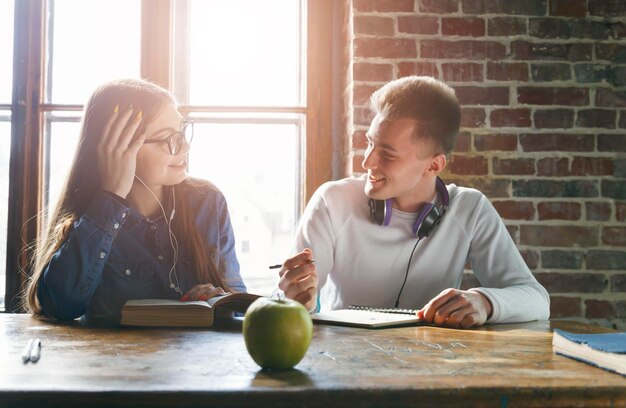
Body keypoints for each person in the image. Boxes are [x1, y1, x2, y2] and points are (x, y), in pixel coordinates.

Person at [278, 76, 550, 328]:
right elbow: (290, 301)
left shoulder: (470, 209)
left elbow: (537, 299)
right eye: (370, 143)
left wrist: (485, 302)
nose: (367, 161)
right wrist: (297, 298)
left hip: (431, 366)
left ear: (433, 165)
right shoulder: (332, 201)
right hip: (342, 360)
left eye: (387, 154)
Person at [24, 79, 246, 322]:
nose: (185, 146)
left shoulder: (208, 202)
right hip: (113, 359)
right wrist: (111, 196)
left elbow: (239, 304)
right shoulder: (90, 216)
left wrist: (220, 299)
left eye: (182, 131)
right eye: (167, 138)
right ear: (116, 146)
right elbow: (60, 305)